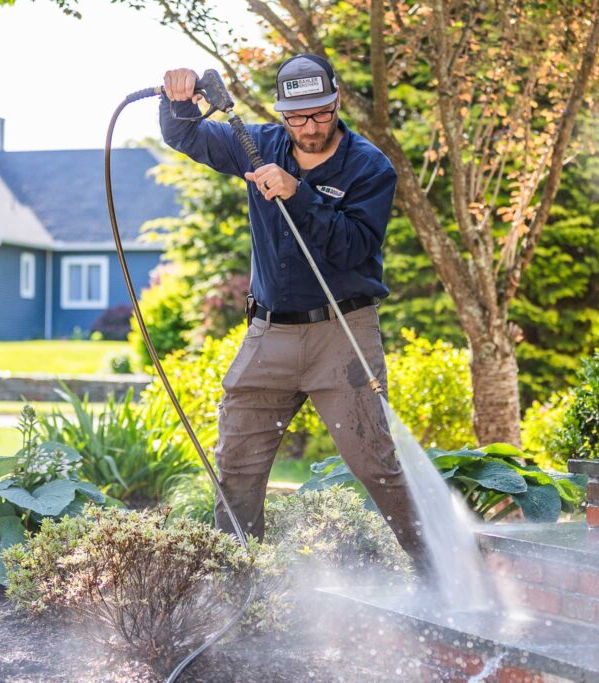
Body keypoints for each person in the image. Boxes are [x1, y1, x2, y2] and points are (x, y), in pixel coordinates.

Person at [160, 54, 429, 571]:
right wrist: (178, 98)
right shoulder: (253, 143)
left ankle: (439, 575)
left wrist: (298, 194)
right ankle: (242, 590)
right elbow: (188, 137)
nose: (309, 128)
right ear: (283, 113)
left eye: (320, 114)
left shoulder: (370, 167)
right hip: (269, 335)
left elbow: (353, 249)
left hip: (341, 335)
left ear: (336, 102)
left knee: (377, 466)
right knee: (237, 467)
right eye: (297, 117)